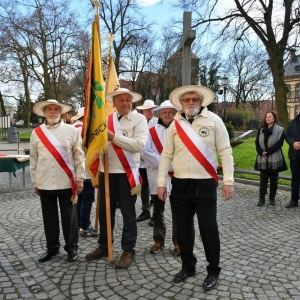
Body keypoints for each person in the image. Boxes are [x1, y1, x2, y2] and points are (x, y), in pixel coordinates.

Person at [157, 85, 234, 290]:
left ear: (201, 101)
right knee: (183, 230)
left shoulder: (214, 121)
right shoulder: (175, 124)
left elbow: (225, 152)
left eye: (194, 99)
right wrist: (161, 183)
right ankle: (188, 266)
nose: (191, 102)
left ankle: (213, 270)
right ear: (181, 103)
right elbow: (166, 155)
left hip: (205, 185)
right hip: (181, 185)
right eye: (186, 100)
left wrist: (228, 182)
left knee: (208, 229)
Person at [86, 88, 148, 269]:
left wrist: (113, 138)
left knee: (128, 214)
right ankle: (105, 245)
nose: (125, 103)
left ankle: (128, 249)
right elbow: (97, 146)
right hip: (107, 173)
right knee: (106, 213)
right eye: (121, 100)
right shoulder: (106, 120)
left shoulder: (140, 119)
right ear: (114, 103)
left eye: (128, 100)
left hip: (127, 174)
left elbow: (138, 145)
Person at [30, 99, 85, 263]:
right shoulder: (36, 133)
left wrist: (80, 178)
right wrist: (35, 182)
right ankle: (52, 248)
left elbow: (79, 156)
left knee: (70, 219)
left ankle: (72, 249)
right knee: (49, 218)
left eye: (56, 109)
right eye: (49, 109)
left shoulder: (71, 130)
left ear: (61, 112)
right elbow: (33, 159)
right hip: (45, 182)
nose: (53, 112)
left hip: (66, 183)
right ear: (44, 112)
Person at [141, 100, 181, 256]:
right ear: (159, 113)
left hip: (177, 176)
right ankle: (158, 240)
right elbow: (145, 153)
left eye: (171, 112)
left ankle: (178, 242)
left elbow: (183, 153)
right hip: (157, 176)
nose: (167, 115)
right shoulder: (151, 131)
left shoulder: (181, 131)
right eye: (164, 112)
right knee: (158, 211)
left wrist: (169, 166)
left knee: (178, 211)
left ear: (175, 114)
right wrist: (166, 165)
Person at [71, 107, 98, 237]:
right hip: (87, 169)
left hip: (75, 169)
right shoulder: (85, 130)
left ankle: (77, 224)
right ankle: (85, 225)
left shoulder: (72, 128)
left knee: (80, 199)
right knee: (87, 199)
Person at [254, 111, 287, 206]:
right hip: (263, 158)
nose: (267, 118)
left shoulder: (280, 130)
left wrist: (268, 152)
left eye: (270, 116)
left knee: (274, 179)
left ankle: (272, 198)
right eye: (266, 117)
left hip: (274, 157)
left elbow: (279, 144)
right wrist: (261, 152)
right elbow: (257, 143)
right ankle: (261, 198)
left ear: (274, 118)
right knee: (263, 179)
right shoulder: (261, 130)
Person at [135, 99, 158, 226]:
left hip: (153, 161)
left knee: (154, 186)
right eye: (148, 110)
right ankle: (146, 210)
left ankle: (156, 213)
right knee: (144, 188)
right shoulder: (139, 122)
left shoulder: (157, 123)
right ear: (143, 111)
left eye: (152, 110)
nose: (151, 112)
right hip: (141, 162)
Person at [285, 106, 300, 208]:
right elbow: (287, 135)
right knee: (295, 178)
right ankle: (294, 200)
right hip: (294, 155)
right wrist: (293, 143)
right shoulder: (292, 122)